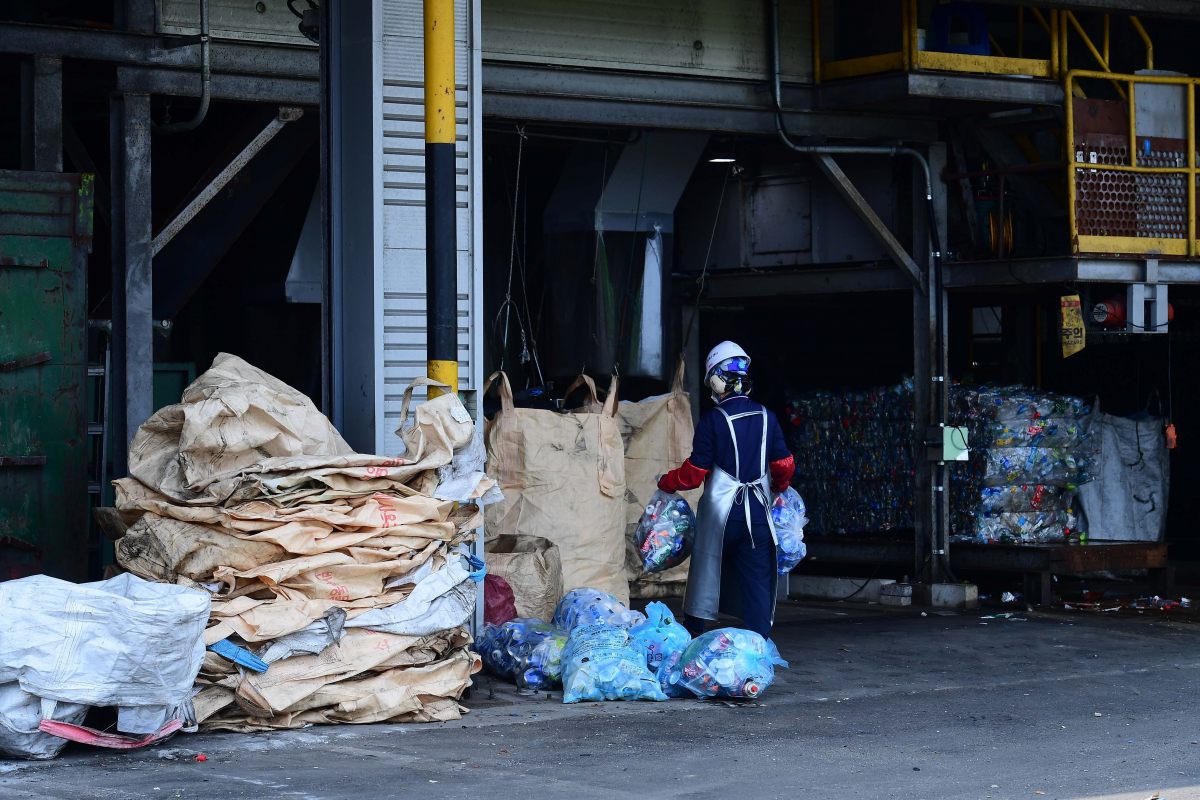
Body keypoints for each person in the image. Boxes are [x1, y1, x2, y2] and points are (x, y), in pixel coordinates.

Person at [657, 341, 794, 640]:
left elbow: (694, 474)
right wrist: (778, 488)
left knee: (704, 574)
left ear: (719, 381)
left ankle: (692, 637)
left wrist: (666, 482)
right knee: (757, 583)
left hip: (721, 519)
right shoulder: (768, 416)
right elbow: (784, 465)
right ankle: (759, 647)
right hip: (758, 517)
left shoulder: (712, 420)